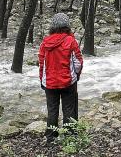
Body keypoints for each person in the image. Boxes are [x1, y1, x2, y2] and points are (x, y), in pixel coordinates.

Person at [38, 13, 83, 143]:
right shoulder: (71, 41)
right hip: (68, 82)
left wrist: (42, 80)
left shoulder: (45, 43)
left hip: (50, 83)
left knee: (52, 109)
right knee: (69, 109)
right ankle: (70, 137)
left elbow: (42, 64)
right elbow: (78, 63)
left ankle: (51, 136)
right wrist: (76, 76)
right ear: (67, 26)